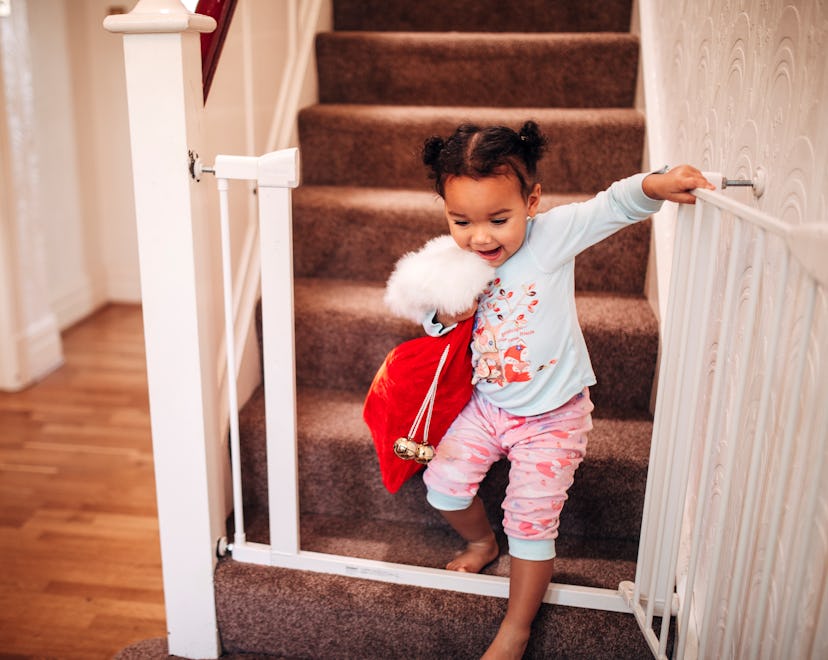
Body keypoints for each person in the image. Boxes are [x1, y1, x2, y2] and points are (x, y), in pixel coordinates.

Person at [418, 121, 713, 659]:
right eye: (461, 220)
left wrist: (655, 184)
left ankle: (516, 626)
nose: (480, 237)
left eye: (498, 219)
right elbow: (429, 320)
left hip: (553, 414)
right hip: (487, 405)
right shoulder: (454, 256)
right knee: (443, 488)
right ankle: (482, 542)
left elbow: (611, 206)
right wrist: (441, 312)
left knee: (531, 523)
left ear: (532, 201)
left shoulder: (552, 235)